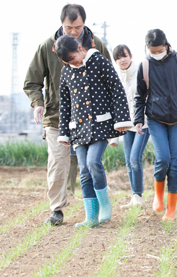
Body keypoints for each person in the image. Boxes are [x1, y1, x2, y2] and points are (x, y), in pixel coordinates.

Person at [23, 4, 112, 225]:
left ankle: (97, 208)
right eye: (68, 27)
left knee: (89, 164)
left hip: (90, 118)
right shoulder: (46, 47)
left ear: (84, 23)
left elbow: (110, 79)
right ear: (61, 24)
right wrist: (38, 103)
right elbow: (31, 82)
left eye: (78, 27)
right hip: (57, 116)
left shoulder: (96, 45)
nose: (73, 31)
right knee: (58, 162)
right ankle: (57, 210)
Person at [55, 35, 132, 228]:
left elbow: (116, 88)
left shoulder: (98, 61)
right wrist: (63, 132)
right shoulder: (66, 72)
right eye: (69, 62)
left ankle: (105, 203)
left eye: (74, 58)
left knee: (93, 162)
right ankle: (91, 216)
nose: (74, 63)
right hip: (77, 129)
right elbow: (65, 104)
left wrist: (121, 120)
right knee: (84, 172)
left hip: (100, 125)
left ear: (80, 48)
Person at [134, 29, 177, 221]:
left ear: (166, 45)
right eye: (152, 51)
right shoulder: (144, 66)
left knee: (175, 163)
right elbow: (139, 95)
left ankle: (171, 210)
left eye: (159, 50)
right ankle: (158, 196)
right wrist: (138, 119)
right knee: (163, 159)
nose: (155, 53)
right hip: (155, 118)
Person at [110, 44, 150, 208]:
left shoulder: (141, 72)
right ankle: (134, 197)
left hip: (143, 123)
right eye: (118, 58)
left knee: (135, 158)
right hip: (126, 124)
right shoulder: (116, 77)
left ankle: (138, 196)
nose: (122, 60)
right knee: (128, 161)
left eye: (124, 56)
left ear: (131, 55)